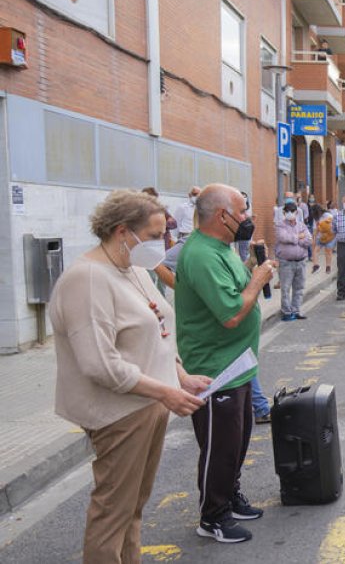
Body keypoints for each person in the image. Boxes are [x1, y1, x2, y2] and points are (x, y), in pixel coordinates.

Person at [49, 190, 210, 562]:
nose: (163, 243)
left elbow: (155, 329)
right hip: (119, 413)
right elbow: (100, 364)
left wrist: (180, 375)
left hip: (149, 403)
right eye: (155, 235)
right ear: (123, 231)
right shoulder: (87, 279)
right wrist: (164, 392)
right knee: (113, 513)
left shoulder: (133, 270)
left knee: (133, 508)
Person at [175, 184, 275, 544]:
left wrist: (252, 269)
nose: (247, 218)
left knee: (237, 441)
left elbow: (235, 288)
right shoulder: (201, 254)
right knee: (219, 446)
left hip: (238, 365)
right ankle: (212, 515)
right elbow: (232, 312)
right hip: (214, 369)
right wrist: (259, 280)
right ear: (222, 216)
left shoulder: (223, 249)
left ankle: (229, 495)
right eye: (242, 212)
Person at [275, 201, 312, 321]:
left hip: (300, 261)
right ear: (284, 213)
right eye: (287, 212)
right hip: (286, 262)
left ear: (297, 212)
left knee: (299, 288)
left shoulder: (301, 225)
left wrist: (296, 239)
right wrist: (298, 237)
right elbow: (283, 237)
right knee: (285, 288)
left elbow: (308, 240)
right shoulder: (280, 225)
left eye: (293, 211)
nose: (290, 214)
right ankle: (286, 312)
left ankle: (296, 310)